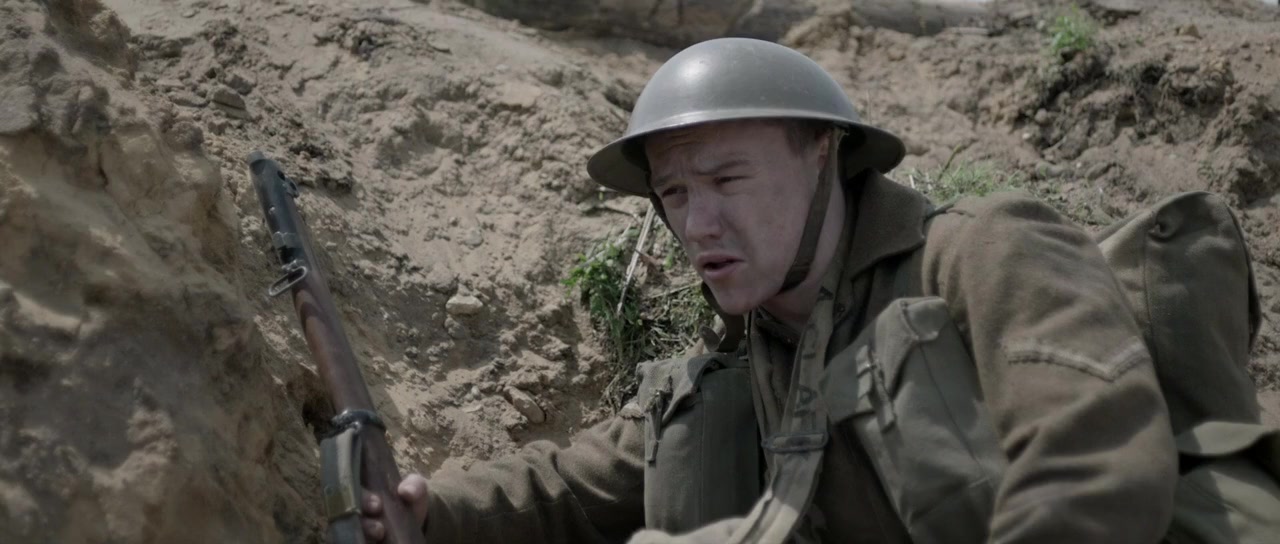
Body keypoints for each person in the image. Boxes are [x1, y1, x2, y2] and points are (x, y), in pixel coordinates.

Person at [361, 38, 1177, 543]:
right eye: (674, 193)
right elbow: (575, 487)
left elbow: (1094, 465)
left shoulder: (984, 250)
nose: (698, 223)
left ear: (822, 152)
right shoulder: (750, 353)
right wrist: (433, 511)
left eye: (727, 179)